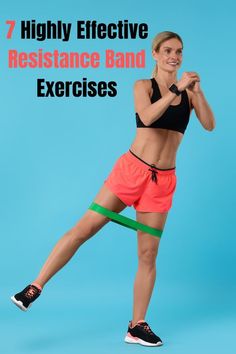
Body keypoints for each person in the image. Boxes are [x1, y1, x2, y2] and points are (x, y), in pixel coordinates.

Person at [11, 31, 215, 347]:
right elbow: (147, 117)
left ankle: (137, 325)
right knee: (84, 228)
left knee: (148, 253)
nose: (174, 56)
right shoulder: (143, 87)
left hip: (162, 181)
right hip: (132, 170)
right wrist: (176, 87)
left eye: (179, 51)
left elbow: (209, 124)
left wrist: (197, 92)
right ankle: (34, 287)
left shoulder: (189, 94)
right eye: (168, 51)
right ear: (156, 54)